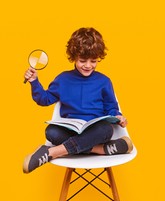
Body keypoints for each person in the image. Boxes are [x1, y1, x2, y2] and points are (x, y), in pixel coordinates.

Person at [23, 27, 133, 174]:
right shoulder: (63, 79)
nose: (88, 65)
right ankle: (101, 149)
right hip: (72, 132)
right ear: (73, 57)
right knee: (52, 132)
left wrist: (118, 116)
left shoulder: (104, 81)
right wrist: (34, 82)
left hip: (96, 132)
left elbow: (111, 107)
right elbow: (44, 99)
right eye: (82, 61)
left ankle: (51, 152)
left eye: (93, 61)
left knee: (106, 129)